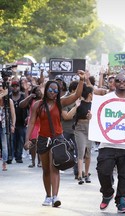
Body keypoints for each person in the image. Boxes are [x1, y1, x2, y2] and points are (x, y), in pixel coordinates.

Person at [24, 71, 85, 207]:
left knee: (54, 168)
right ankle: (48, 196)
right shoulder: (37, 105)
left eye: (56, 90)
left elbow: (76, 95)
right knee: (46, 170)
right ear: (46, 91)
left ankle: (56, 197)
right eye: (51, 90)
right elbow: (32, 123)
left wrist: (81, 80)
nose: (53, 92)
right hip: (43, 139)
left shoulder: (60, 102)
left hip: (57, 139)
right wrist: (27, 139)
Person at [97, 73, 125, 213]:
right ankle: (107, 192)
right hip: (107, 145)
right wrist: (91, 116)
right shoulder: (105, 99)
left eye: (124, 80)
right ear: (113, 83)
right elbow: (97, 117)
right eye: (118, 81)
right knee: (103, 172)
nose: (121, 83)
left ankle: (122, 201)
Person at [74, 84, 93, 185]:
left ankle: (86, 174)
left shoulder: (94, 105)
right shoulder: (79, 103)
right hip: (80, 128)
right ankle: (80, 175)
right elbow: (73, 116)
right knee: (81, 151)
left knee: (88, 153)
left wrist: (91, 117)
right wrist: (76, 107)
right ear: (90, 94)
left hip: (90, 128)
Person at [20, 85, 43, 168]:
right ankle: (33, 161)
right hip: (33, 123)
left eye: (40, 90)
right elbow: (21, 105)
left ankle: (40, 161)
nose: (39, 92)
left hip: (42, 123)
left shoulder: (44, 100)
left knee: (40, 142)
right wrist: (29, 96)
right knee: (33, 142)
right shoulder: (32, 100)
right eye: (37, 91)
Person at [0, 82, 16, 171]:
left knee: (4, 144)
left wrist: (13, 125)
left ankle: (4, 163)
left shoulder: (8, 101)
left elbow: (13, 114)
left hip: (4, 125)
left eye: (1, 89)